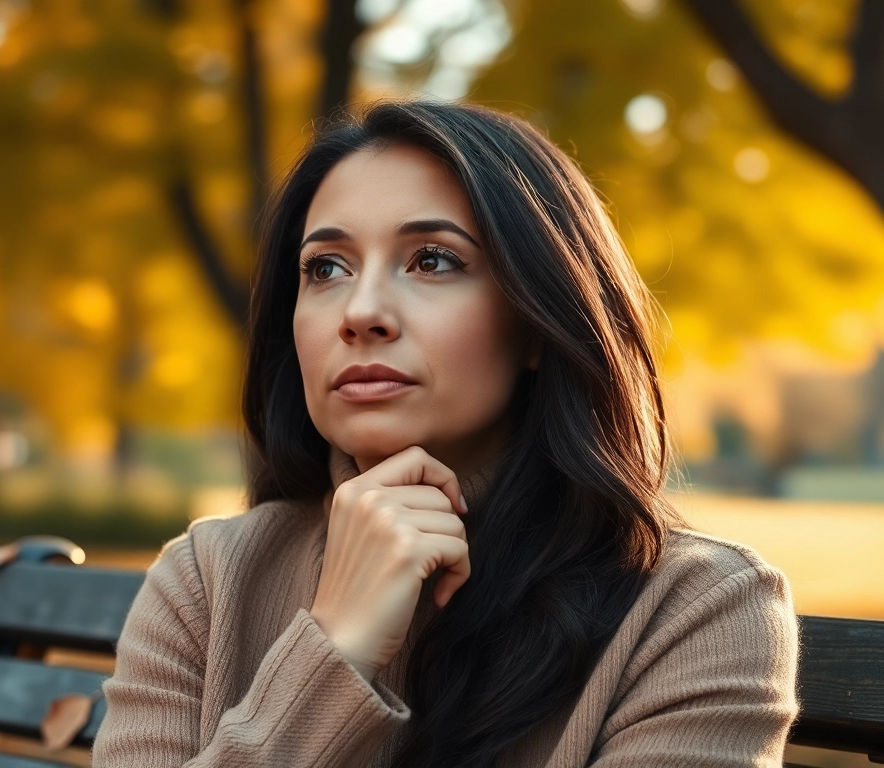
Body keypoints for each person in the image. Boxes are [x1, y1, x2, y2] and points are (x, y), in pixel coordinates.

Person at [91, 100, 799, 768]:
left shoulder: (695, 612)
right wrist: (333, 645)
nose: (361, 312)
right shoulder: (206, 582)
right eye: (325, 268)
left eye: (432, 260)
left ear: (536, 319)